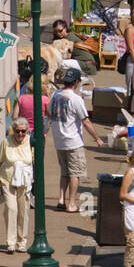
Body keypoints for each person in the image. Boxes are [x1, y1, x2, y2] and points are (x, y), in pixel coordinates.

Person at [48, 66, 104, 212]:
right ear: (77, 82)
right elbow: (85, 121)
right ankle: (71, 203)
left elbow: (49, 113)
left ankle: (61, 199)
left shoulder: (55, 95)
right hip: (73, 141)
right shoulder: (76, 99)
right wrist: (97, 138)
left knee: (64, 172)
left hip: (59, 140)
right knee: (75, 173)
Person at [0, 117, 33, 254]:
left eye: (23, 131)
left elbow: (34, 161)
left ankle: (21, 242)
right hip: (8, 179)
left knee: (23, 211)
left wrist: (33, 178)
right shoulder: (6, 142)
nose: (20, 134)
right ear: (14, 130)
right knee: (11, 209)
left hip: (24, 181)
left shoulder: (31, 142)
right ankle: (10, 242)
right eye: (17, 131)